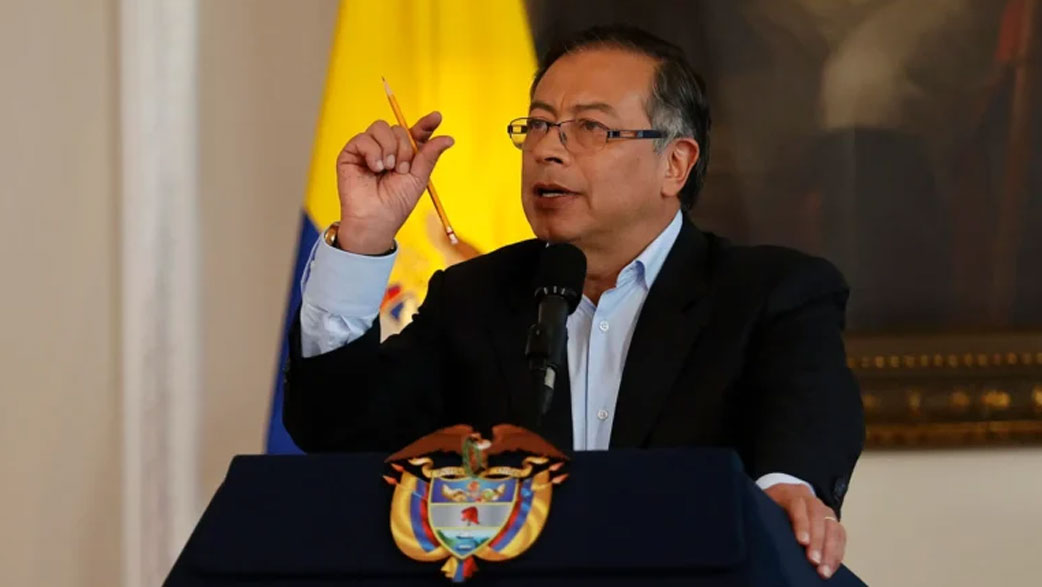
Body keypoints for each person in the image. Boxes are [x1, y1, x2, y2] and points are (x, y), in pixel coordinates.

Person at [283, 25, 863, 579]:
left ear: (675, 164)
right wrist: (363, 237)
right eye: (538, 125)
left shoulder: (771, 292)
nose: (547, 151)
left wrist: (785, 492)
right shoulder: (474, 296)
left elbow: (806, 419)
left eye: (590, 128)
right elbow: (338, 433)